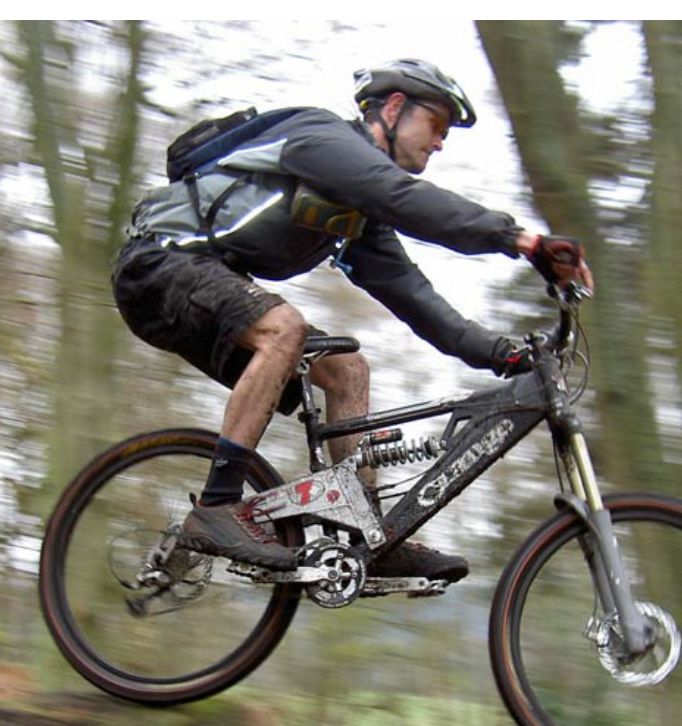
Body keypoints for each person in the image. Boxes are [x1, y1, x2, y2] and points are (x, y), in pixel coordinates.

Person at [114, 58, 592, 583]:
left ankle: (367, 534)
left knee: (347, 368)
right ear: (392, 109)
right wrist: (520, 240)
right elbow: (401, 198)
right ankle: (218, 505)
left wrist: (501, 353)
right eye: (435, 125)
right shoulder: (317, 139)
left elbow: (418, 300)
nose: (440, 142)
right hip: (157, 266)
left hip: (202, 280)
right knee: (285, 328)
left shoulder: (359, 222)